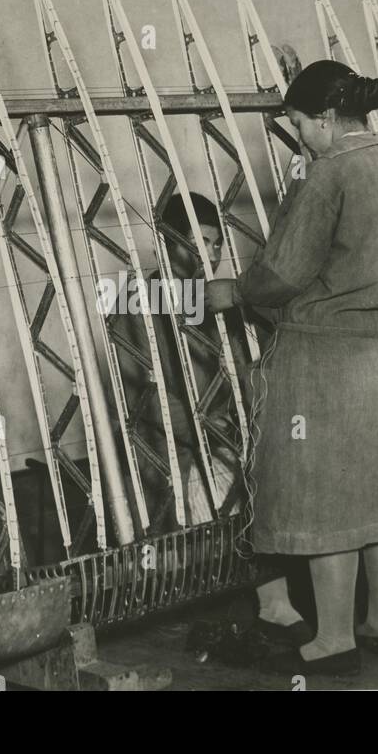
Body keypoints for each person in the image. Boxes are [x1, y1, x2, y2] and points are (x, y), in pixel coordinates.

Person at [205, 59, 378, 675]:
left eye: (300, 124)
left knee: (325, 499)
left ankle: (333, 641)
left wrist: (232, 291)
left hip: (322, 352)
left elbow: (282, 274)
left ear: (328, 120)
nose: (298, 136)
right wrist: (365, 272)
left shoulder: (328, 176)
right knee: (376, 492)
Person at [113, 192, 244, 529]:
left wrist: (231, 423)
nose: (211, 256)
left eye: (217, 245)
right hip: (163, 456)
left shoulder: (218, 299)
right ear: (167, 243)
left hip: (222, 444)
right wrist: (207, 423)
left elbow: (244, 375)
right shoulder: (136, 300)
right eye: (200, 242)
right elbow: (143, 398)